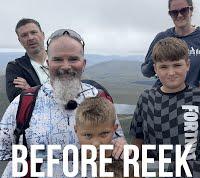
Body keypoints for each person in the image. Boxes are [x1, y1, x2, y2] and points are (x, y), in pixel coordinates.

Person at [0, 29, 126, 163]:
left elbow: (117, 142)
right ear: (48, 64)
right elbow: (4, 155)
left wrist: (121, 146)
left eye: (73, 59)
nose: (66, 66)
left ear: (83, 64)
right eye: (58, 59)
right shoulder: (23, 102)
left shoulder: (100, 98)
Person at [131, 37, 200, 178]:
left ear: (188, 65)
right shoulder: (146, 98)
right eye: (164, 67)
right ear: (155, 69)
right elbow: (137, 140)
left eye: (177, 65)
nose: (171, 73)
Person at [141, 0, 200, 88]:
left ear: (191, 10)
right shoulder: (162, 37)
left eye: (184, 10)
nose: (179, 15)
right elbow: (146, 71)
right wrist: (157, 61)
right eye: (174, 12)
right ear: (170, 14)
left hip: (194, 98)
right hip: (163, 98)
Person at [5, 18, 49, 102]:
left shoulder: (61, 60)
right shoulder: (15, 67)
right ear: (20, 40)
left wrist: (30, 90)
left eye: (33, 32)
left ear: (43, 35)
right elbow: (17, 100)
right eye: (24, 35)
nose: (30, 38)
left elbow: (71, 89)